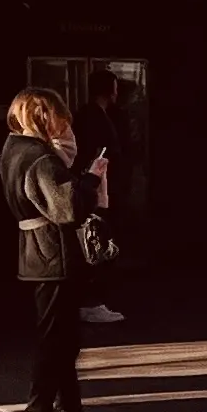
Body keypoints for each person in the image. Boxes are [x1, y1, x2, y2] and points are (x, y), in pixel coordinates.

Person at [0, 89, 104, 412]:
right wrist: (91, 179)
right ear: (44, 117)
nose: (65, 127)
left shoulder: (13, 149)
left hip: (35, 253)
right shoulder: (40, 159)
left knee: (62, 339)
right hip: (52, 256)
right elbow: (68, 208)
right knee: (55, 341)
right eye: (60, 119)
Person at [75, 68, 133, 331]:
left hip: (96, 191)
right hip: (98, 193)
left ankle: (91, 301)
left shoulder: (87, 115)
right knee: (96, 245)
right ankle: (92, 303)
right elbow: (103, 155)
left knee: (95, 244)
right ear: (111, 90)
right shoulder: (97, 119)